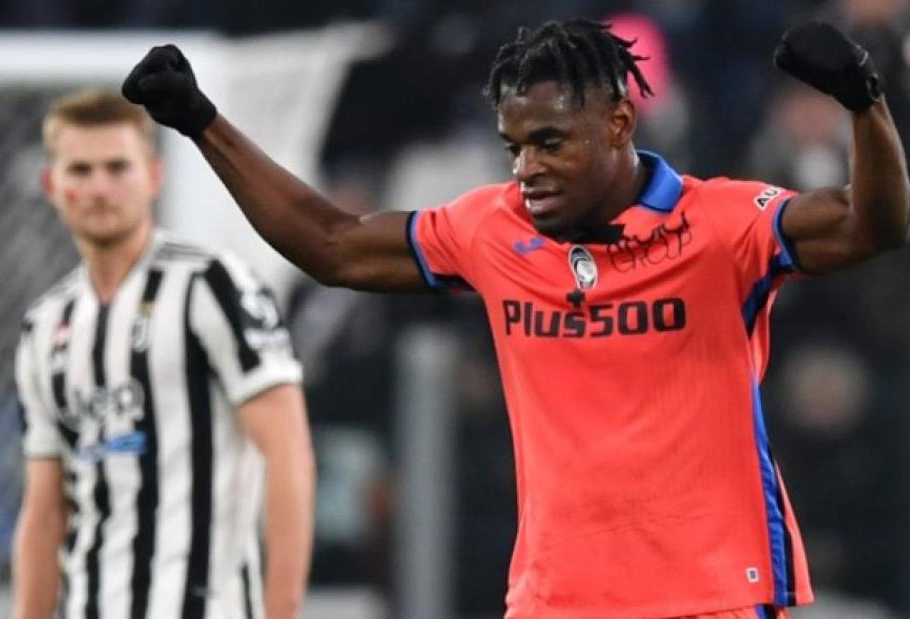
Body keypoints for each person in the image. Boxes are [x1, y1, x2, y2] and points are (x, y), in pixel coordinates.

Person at [121, 18, 910, 619]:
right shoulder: (492, 228)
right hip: (554, 596)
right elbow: (332, 244)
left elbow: (869, 224)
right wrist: (204, 123)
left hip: (711, 594)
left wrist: (865, 105)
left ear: (619, 125)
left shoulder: (721, 224)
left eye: (551, 143)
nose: (528, 168)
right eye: (515, 146)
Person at [12, 89, 315, 619]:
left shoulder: (212, 284)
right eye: (80, 170)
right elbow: (45, 510)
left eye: (117, 168)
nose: (99, 187)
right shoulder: (44, 326)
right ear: (51, 184)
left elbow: (288, 454)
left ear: (154, 176)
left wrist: (281, 612)